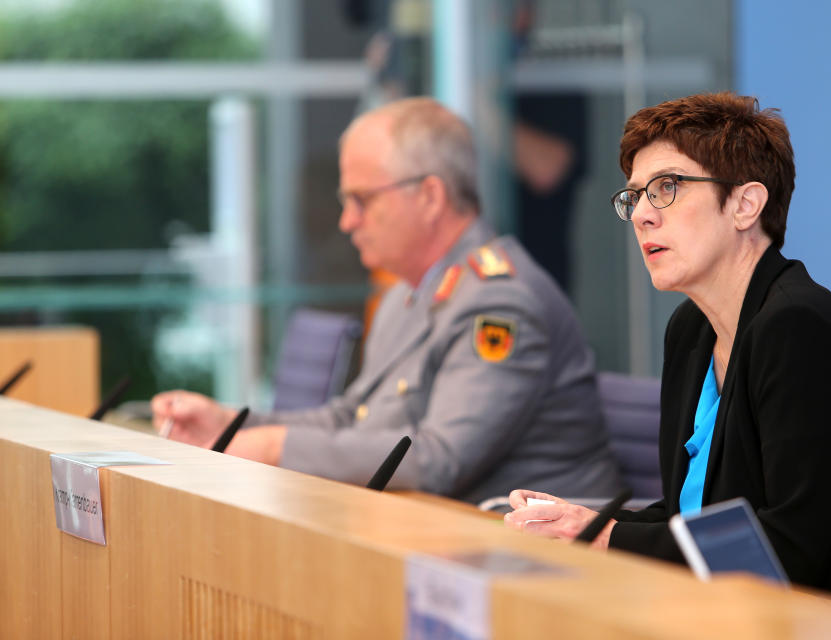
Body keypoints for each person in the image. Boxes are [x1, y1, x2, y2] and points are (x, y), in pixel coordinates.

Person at [504, 92, 831, 621]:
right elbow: (694, 520)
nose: (643, 216)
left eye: (667, 188)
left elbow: (785, 550)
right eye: (634, 197)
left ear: (746, 204)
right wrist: (582, 522)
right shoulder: (692, 329)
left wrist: (609, 537)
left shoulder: (798, 327)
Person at [152, 97, 623, 504]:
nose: (347, 221)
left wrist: (277, 449)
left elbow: (441, 460)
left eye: (362, 200)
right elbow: (349, 416)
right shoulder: (406, 294)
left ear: (430, 197)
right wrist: (233, 424)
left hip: (536, 560)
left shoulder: (499, 304)